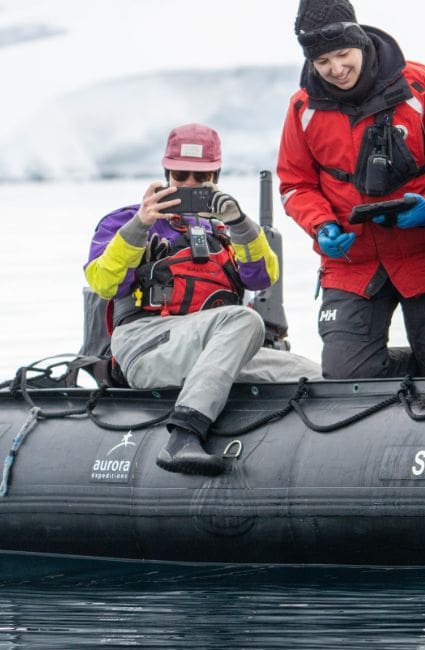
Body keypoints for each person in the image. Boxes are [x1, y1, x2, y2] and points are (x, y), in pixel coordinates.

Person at [84, 123, 321, 477]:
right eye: (181, 175)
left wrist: (240, 224)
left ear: (216, 176)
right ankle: (184, 434)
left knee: (313, 374)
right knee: (243, 320)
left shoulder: (226, 230)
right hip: (147, 345)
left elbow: (262, 277)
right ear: (166, 173)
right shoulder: (125, 222)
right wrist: (139, 225)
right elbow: (104, 282)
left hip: (214, 352)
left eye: (202, 177)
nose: (191, 185)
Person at [277, 0, 425, 379]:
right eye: (323, 62)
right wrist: (321, 226)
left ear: (361, 42)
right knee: (346, 376)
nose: (336, 69)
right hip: (352, 263)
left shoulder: (419, 86)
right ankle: (404, 373)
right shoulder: (302, 109)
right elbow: (294, 185)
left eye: (342, 54)